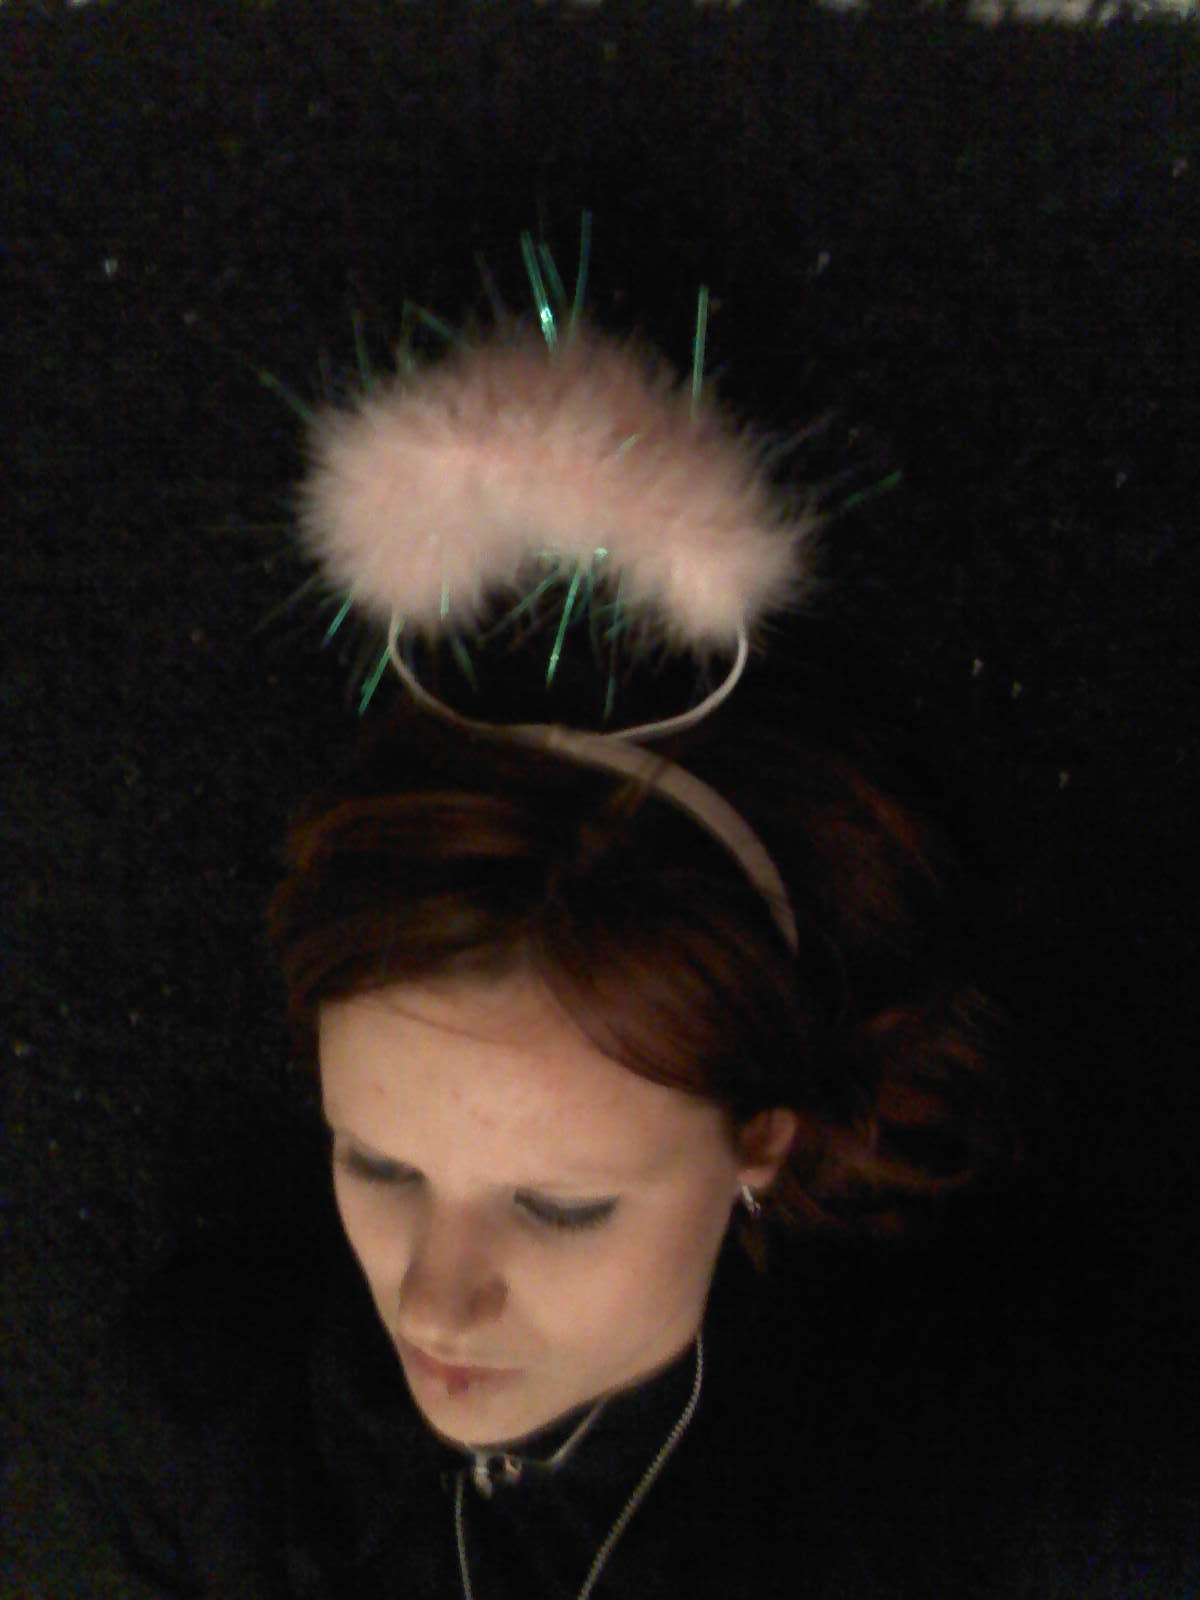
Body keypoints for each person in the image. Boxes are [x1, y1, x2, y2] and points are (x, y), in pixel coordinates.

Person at [4, 287, 1021, 1598]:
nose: (436, 1301)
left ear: (761, 1139)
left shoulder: (928, 1506)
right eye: (377, 1164)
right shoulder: (202, 1428)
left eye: (560, 1207)